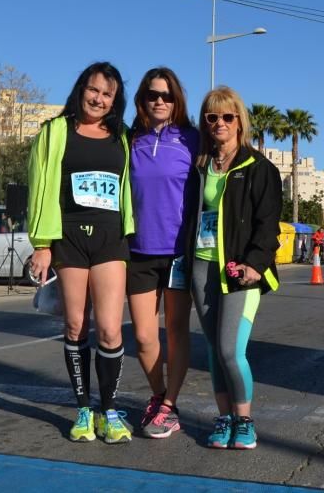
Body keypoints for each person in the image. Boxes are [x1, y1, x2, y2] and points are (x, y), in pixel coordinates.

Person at [28, 61, 134, 445]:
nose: (99, 99)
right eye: (94, 90)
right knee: (74, 325)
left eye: (108, 94)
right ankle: (83, 410)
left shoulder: (120, 136)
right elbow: (40, 187)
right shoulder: (54, 132)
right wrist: (41, 244)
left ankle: (109, 410)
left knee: (109, 329)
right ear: (80, 89)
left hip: (109, 239)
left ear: (115, 100)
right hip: (68, 238)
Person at [186, 86, 281, 450]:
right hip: (202, 267)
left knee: (230, 350)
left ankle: (245, 421)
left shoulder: (259, 168)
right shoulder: (201, 165)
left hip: (240, 271)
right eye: (212, 117)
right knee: (212, 349)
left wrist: (256, 263)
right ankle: (224, 418)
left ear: (240, 121)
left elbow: (268, 223)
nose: (219, 123)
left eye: (228, 116)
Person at [127, 67, 199, 439]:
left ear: (177, 101)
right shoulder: (130, 139)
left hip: (178, 254)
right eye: (153, 94)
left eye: (167, 95)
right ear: (143, 98)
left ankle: (169, 405)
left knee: (176, 332)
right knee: (142, 336)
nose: (160, 101)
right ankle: (157, 396)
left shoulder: (191, 139)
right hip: (137, 251)